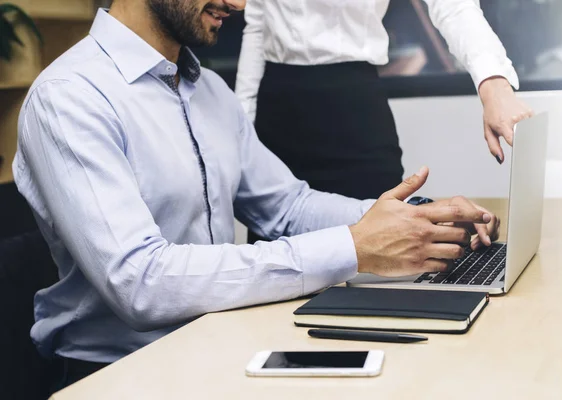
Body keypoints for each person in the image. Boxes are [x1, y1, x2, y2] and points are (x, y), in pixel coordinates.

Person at [13, 0, 499, 388]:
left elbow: (288, 207)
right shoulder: (70, 97)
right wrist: (354, 248)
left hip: (217, 345)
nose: (240, 4)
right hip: (116, 376)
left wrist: (414, 219)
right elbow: (141, 282)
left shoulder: (210, 93)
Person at [235, 0, 532, 243]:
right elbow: (257, 24)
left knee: (387, 248)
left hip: (354, 107)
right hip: (277, 110)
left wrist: (494, 83)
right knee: (277, 260)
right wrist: (241, 124)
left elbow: (453, 7)